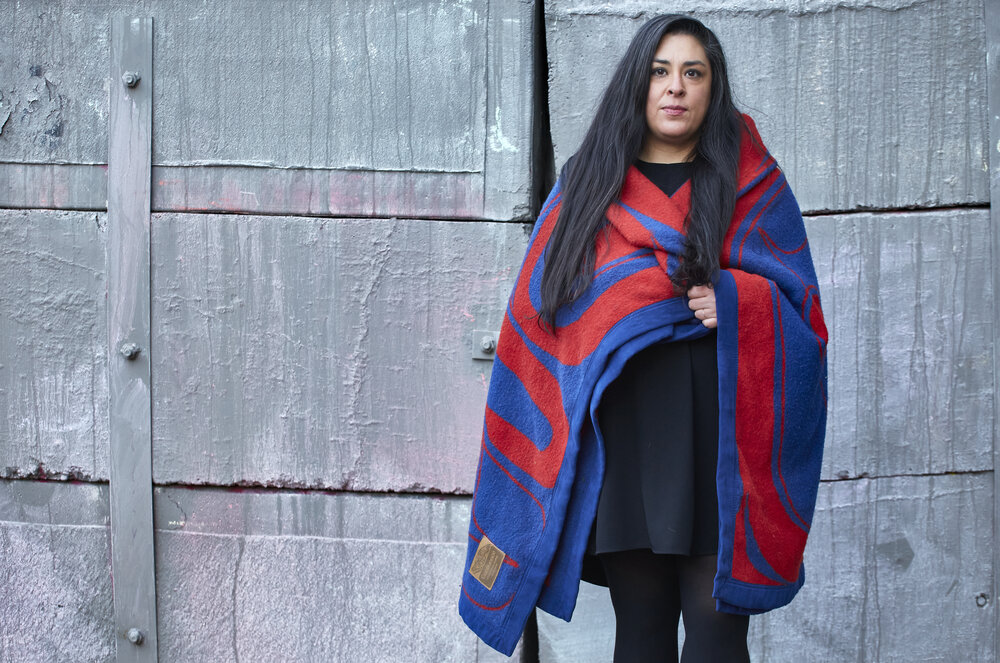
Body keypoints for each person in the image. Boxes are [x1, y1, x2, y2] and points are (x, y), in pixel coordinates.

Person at [458, 15, 828, 662]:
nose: (675, 87)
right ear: (638, 83)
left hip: (723, 445)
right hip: (626, 440)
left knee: (718, 636)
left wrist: (741, 301)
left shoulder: (752, 182)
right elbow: (543, 315)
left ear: (713, 87)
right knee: (642, 630)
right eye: (660, 71)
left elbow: (804, 319)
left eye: (692, 72)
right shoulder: (590, 183)